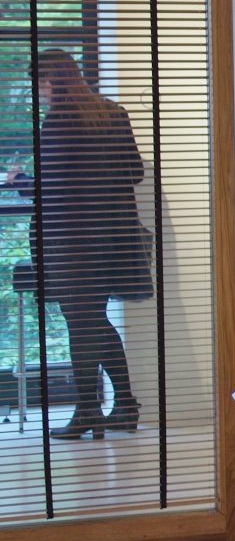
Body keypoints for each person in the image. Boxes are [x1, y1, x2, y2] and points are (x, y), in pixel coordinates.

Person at [9, 49, 148, 441]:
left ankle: (89, 410)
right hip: (112, 240)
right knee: (94, 321)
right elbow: (136, 172)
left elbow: (50, 188)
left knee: (82, 323)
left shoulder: (59, 122)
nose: (38, 93)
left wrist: (19, 181)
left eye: (39, 84)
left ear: (52, 81)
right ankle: (125, 406)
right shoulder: (113, 113)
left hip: (72, 244)